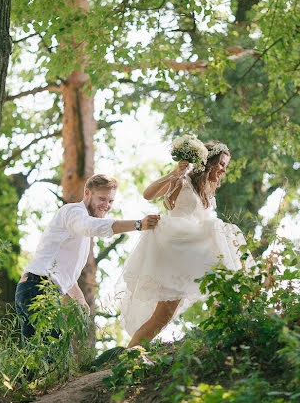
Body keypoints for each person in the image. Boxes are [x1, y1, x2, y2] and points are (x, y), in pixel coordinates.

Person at [118, 141, 250, 348]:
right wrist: (175, 173)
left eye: (226, 166)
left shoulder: (206, 189)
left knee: (162, 317)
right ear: (208, 162)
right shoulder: (183, 179)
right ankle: (127, 360)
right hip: (176, 244)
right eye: (222, 164)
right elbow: (148, 194)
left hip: (191, 248)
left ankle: (129, 354)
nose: (224, 170)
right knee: (223, 249)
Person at [15, 174, 161, 343]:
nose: (106, 205)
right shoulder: (73, 212)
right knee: (57, 351)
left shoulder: (80, 232)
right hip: (38, 289)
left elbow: (65, 274)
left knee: (35, 359)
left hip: (32, 288)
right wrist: (138, 224)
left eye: (110, 201)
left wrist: (80, 299)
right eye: (102, 199)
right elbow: (90, 227)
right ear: (87, 193)